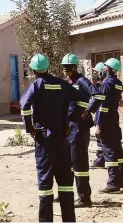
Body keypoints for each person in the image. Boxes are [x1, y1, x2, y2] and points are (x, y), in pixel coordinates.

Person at [20, 54, 87, 222]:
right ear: (48, 67)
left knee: (45, 186)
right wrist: (72, 119)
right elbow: (83, 99)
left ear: (34, 70)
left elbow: (25, 107)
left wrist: (30, 128)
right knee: (65, 183)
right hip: (62, 141)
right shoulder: (62, 84)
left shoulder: (36, 85)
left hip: (44, 141)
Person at [60, 53, 99, 208]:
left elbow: (98, 94)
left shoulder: (82, 81)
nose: (65, 70)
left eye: (68, 68)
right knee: (67, 162)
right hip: (69, 127)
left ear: (75, 67)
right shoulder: (67, 82)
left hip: (79, 126)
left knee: (79, 163)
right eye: (63, 68)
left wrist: (88, 110)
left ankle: (84, 198)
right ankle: (67, 194)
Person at [85, 58, 123, 193]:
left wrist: (98, 124)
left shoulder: (106, 83)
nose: (102, 71)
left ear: (108, 69)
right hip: (114, 120)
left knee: (110, 153)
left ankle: (113, 184)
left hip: (106, 121)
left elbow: (102, 105)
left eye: (104, 68)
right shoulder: (118, 83)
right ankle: (120, 180)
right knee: (118, 151)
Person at [91, 62, 107, 169]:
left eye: (97, 72)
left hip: (102, 116)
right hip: (99, 116)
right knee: (99, 140)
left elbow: (102, 106)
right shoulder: (99, 86)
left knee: (102, 138)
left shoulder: (104, 87)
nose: (95, 74)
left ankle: (101, 159)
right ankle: (100, 158)